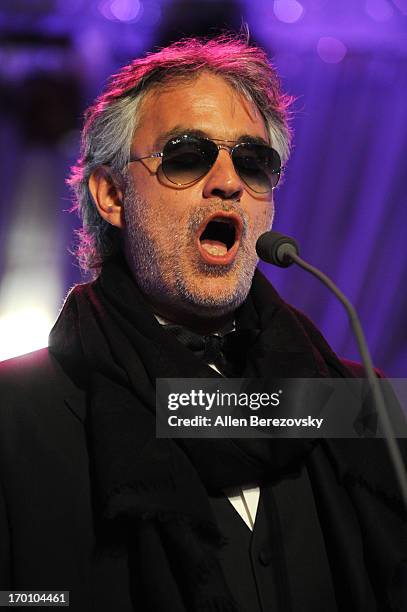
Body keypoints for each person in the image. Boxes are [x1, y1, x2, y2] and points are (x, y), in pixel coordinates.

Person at [0, 34, 405, 612]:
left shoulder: (364, 410)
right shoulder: (15, 415)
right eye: (187, 155)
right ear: (113, 195)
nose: (228, 181)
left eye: (253, 162)